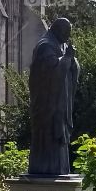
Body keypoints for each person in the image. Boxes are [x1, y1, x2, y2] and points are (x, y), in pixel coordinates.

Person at [28, 17, 80, 177]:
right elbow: (50, 73)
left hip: (60, 105)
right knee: (48, 138)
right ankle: (45, 170)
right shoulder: (45, 46)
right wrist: (66, 59)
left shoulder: (61, 44)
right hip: (47, 108)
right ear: (57, 30)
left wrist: (73, 61)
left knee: (60, 142)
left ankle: (59, 169)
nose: (68, 37)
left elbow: (69, 67)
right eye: (66, 33)